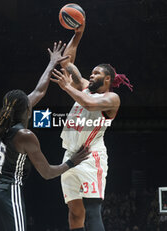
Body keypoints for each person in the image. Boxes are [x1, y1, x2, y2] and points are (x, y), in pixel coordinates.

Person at [0, 41, 91, 231]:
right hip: (7, 193)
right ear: (26, 110)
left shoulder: (5, 122)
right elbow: (47, 173)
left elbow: (39, 91)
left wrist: (52, 63)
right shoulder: (25, 135)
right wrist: (72, 162)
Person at [50, 21, 133, 231]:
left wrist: (68, 86)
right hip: (70, 154)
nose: (91, 75)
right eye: (92, 72)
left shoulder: (112, 98)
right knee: (75, 212)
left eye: (96, 73)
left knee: (93, 210)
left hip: (90, 156)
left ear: (107, 78)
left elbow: (89, 104)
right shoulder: (85, 87)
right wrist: (78, 34)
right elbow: (67, 62)